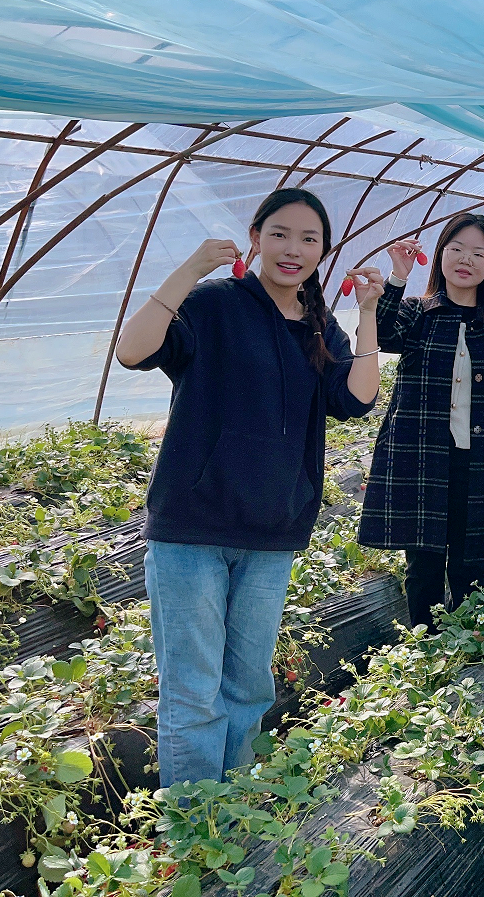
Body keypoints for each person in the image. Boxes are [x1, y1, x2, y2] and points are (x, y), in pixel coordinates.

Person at [115, 188, 383, 786]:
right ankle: (191, 832)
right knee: (191, 691)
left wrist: (367, 311)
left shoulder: (318, 326)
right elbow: (133, 351)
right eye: (280, 234)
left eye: (309, 239)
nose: (294, 249)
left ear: (323, 251)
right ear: (256, 238)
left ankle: (227, 818)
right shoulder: (213, 305)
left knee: (247, 686)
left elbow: (356, 397)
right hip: (193, 527)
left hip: (272, 533)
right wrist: (190, 268)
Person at [357, 213, 484, 630]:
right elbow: (380, 332)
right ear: (439, 257)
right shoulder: (417, 314)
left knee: (472, 567)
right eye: (456, 249)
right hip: (422, 458)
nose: (465, 259)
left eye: (478, 252)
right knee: (423, 564)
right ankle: (423, 646)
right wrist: (398, 277)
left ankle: (463, 654)